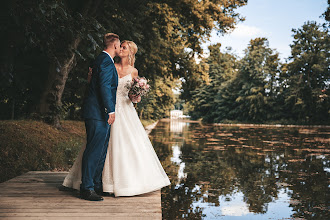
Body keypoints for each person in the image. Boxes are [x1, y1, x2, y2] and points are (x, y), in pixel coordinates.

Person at [63, 40, 170, 198]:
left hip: (124, 110)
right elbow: (100, 85)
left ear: (130, 53)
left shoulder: (133, 71)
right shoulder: (109, 64)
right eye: (120, 46)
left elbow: (133, 97)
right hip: (107, 109)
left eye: (124, 47)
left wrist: (136, 95)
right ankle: (93, 183)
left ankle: (118, 183)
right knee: (98, 145)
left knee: (123, 146)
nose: (120, 49)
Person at [76, 33, 120, 201]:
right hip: (98, 113)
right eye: (119, 45)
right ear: (115, 45)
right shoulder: (106, 62)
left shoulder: (100, 60)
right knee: (94, 150)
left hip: (97, 112)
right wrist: (110, 110)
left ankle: (95, 185)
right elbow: (104, 87)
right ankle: (86, 188)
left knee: (100, 150)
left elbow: (94, 84)